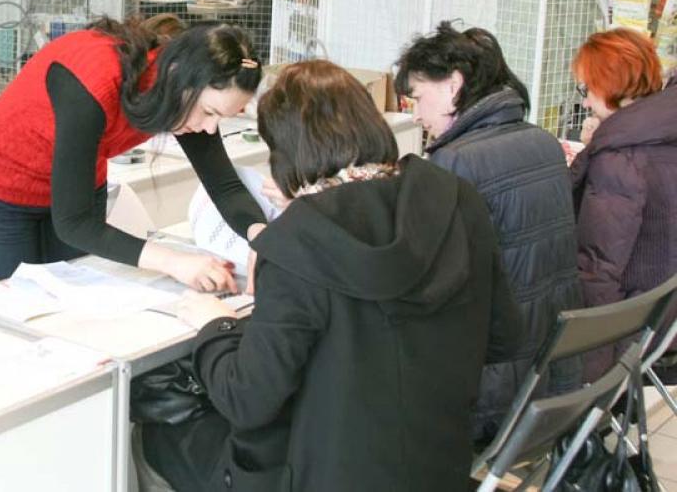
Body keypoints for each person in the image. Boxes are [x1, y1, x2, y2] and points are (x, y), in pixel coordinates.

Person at [141, 60, 522, 491]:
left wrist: (216, 326)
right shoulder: (457, 200)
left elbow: (247, 399)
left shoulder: (298, 240)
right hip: (438, 467)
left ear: (287, 152)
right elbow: (503, 338)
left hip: (315, 474)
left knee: (156, 434)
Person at [0, 18, 267, 288]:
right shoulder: (95, 76)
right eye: (209, 112)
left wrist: (261, 238)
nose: (210, 128)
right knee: (12, 309)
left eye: (221, 117)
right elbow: (75, 224)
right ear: (179, 76)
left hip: (78, 184)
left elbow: (224, 185)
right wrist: (173, 262)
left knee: (72, 306)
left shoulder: (187, 98)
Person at [393, 21, 582, 444]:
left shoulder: (456, 161)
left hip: (492, 383)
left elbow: (430, 281)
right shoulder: (542, 142)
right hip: (552, 369)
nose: (416, 115)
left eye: (418, 97)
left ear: (454, 84)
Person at [570, 28, 677, 382]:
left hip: (633, 326)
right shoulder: (660, 132)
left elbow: (599, 268)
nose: (586, 102)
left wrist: (595, 379)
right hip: (664, 315)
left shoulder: (620, 157)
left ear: (611, 84)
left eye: (587, 89)